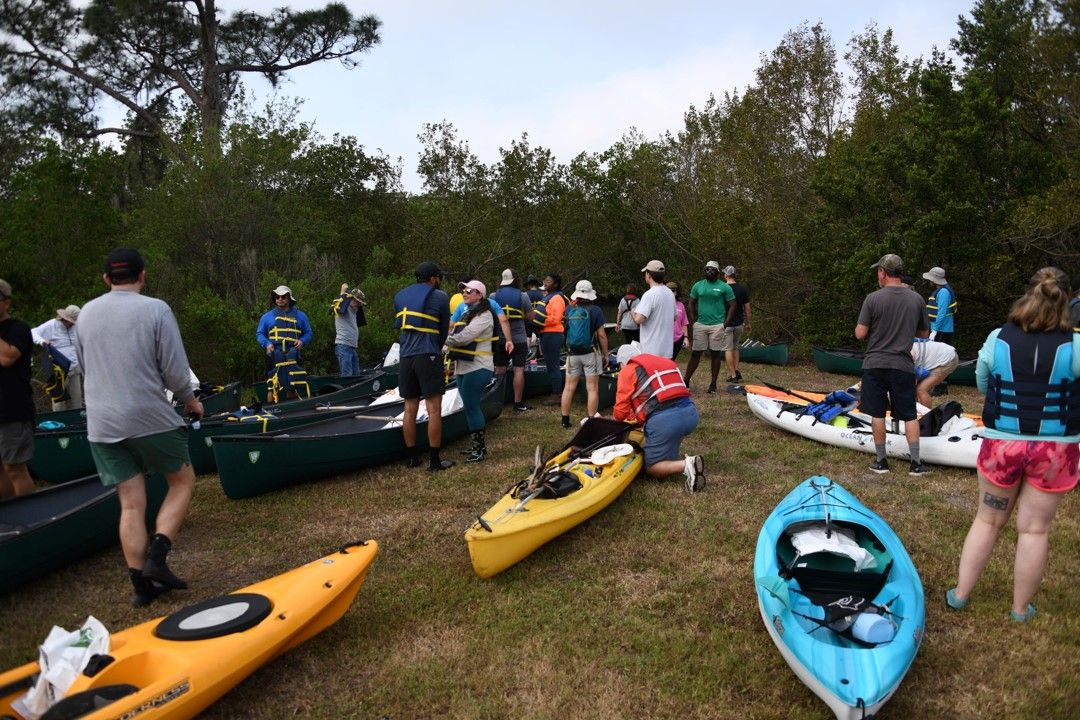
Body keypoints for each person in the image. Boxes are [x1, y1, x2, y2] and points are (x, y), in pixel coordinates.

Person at [946, 267, 1080, 623]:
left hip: (1002, 446)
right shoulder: (1077, 344)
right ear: (1067, 300)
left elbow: (982, 382)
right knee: (1034, 529)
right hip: (1055, 452)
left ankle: (960, 595)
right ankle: (1020, 609)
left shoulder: (997, 337)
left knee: (988, 520)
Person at [75, 248, 204, 607]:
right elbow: (175, 370)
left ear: (106, 279)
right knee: (181, 480)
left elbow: (85, 366)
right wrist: (190, 400)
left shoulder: (85, 314)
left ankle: (140, 589)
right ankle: (157, 558)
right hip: (147, 415)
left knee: (130, 503)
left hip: (101, 421)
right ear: (142, 275)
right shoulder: (155, 309)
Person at [855, 254, 930, 475]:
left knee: (877, 413)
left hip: (875, 363)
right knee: (909, 414)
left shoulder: (872, 298)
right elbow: (924, 333)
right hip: (902, 365)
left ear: (883, 272)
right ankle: (916, 463)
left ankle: (881, 461)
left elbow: (860, 334)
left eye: (878, 271)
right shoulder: (917, 299)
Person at [612, 345, 705, 492]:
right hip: (691, 414)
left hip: (665, 422)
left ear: (622, 363)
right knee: (668, 442)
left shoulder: (628, 370)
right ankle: (672, 460)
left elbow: (620, 414)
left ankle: (687, 465)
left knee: (652, 468)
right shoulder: (665, 362)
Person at [394, 261, 453, 470]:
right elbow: (444, 329)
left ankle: (412, 458)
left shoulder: (402, 296)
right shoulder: (440, 297)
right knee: (433, 409)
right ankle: (434, 461)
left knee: (409, 408)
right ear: (433, 278)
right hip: (427, 354)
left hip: (406, 357)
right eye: (439, 277)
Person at [444, 280, 496, 463]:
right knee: (468, 406)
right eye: (463, 291)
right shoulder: (467, 313)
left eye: (469, 291)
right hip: (463, 366)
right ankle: (476, 446)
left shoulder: (485, 315)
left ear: (480, 295)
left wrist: (444, 341)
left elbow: (465, 337)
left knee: (472, 406)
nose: (464, 293)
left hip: (479, 366)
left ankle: (480, 449)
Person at [0, 279, 35, 499]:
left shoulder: (18, 329)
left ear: (7, 302)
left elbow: (7, 358)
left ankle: (32, 521)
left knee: (14, 468)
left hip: (12, 410)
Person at [560, 280, 609, 428]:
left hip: (572, 354)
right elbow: (601, 335)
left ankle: (565, 420)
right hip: (590, 353)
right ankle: (591, 419)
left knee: (569, 387)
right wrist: (606, 354)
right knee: (592, 388)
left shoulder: (569, 309)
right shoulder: (596, 311)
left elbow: (565, 330)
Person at [684, 260, 735, 393]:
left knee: (715, 354)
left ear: (718, 272)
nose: (709, 271)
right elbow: (691, 303)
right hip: (700, 324)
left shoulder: (724, 287)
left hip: (717, 325)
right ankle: (686, 381)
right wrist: (694, 320)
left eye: (712, 269)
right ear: (704, 271)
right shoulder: (698, 285)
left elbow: (733, 305)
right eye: (707, 269)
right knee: (696, 354)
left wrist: (726, 323)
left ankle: (713, 385)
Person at [256, 285, 313, 401]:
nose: (280, 299)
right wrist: (267, 344)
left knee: (293, 377)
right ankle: (272, 404)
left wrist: (302, 341)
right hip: (275, 351)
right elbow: (260, 334)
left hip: (293, 350)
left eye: (283, 297)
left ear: (289, 299)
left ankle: (292, 401)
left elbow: (308, 332)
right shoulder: (266, 317)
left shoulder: (301, 316)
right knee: (272, 380)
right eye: (277, 297)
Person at [491, 269, 536, 411]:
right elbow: (531, 317)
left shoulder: (493, 296)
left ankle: (496, 401)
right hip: (519, 339)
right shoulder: (523, 296)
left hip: (500, 338)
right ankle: (518, 403)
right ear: (515, 280)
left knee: (499, 370)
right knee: (518, 370)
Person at [31, 304, 83, 410]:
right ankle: (59, 424)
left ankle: (77, 423)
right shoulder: (52, 325)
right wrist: (42, 341)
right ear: (65, 319)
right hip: (59, 369)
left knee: (77, 400)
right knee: (59, 401)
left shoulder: (77, 326)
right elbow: (32, 332)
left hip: (75, 367)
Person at [532, 273, 568, 398]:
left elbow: (555, 319)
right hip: (547, 334)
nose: (545, 283)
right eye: (545, 280)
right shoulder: (549, 297)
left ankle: (556, 394)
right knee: (551, 363)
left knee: (553, 365)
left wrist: (539, 322)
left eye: (549, 281)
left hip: (553, 334)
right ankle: (556, 390)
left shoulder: (557, 298)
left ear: (556, 285)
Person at [632, 260, 676, 358]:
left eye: (645, 273)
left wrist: (632, 312)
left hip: (651, 352)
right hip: (667, 351)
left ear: (649, 275)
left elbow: (639, 319)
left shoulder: (649, 294)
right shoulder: (670, 293)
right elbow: (674, 317)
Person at [722, 266, 751, 383]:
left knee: (728, 349)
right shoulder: (742, 289)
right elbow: (748, 309)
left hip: (726, 323)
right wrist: (749, 323)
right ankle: (737, 370)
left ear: (726, 275)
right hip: (739, 323)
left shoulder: (723, 289)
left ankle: (733, 375)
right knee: (736, 347)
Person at [911, 338, 959, 408]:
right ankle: (914, 414)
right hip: (937, 356)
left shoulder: (907, 354)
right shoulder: (901, 350)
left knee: (921, 389)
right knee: (914, 390)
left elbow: (911, 380)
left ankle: (926, 417)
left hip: (947, 359)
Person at [330, 284, 366, 376]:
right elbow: (340, 303)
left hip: (352, 347)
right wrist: (342, 290)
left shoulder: (354, 310)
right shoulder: (343, 308)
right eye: (357, 302)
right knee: (347, 375)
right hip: (343, 346)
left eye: (360, 303)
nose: (359, 305)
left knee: (356, 375)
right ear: (351, 299)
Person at [923, 266, 956, 344]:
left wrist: (935, 331)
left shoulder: (943, 292)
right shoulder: (940, 290)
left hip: (942, 330)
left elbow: (942, 313)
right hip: (938, 329)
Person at [668, 282, 688, 360]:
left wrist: (686, 337)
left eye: (673, 290)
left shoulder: (680, 305)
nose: (671, 292)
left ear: (676, 292)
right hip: (664, 339)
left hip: (678, 339)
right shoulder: (661, 304)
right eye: (668, 290)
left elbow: (684, 322)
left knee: (672, 360)